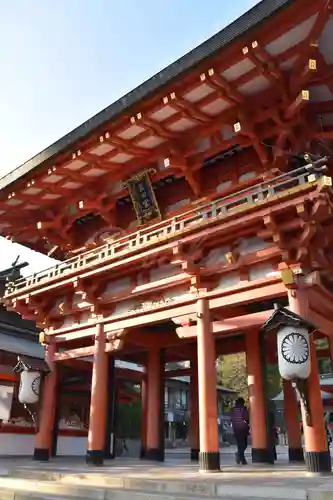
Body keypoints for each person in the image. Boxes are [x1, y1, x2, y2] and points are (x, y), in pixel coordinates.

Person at [231, 397, 249, 465]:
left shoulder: (233, 409)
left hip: (235, 429)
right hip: (243, 429)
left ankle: (241, 457)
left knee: (239, 445)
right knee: (244, 445)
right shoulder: (244, 409)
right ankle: (240, 456)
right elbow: (246, 418)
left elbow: (231, 419)